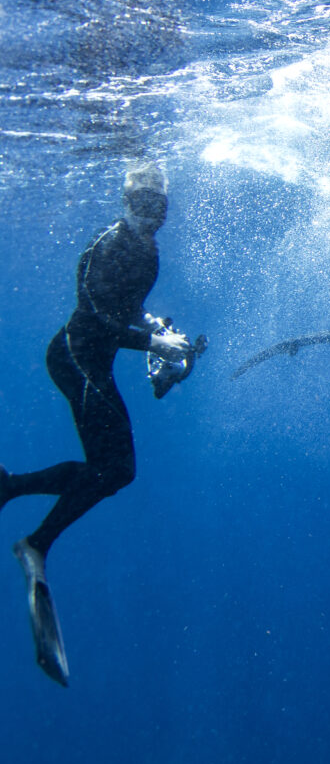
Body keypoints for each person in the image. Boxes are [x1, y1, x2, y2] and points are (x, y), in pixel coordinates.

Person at [0, 163, 191, 685]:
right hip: (75, 358)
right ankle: (33, 539)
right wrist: (150, 342)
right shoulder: (109, 243)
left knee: (113, 469)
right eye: (143, 205)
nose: (152, 216)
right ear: (127, 202)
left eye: (160, 208)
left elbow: (129, 310)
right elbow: (95, 315)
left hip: (93, 362)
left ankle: (13, 493)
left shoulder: (148, 252)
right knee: (115, 469)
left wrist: (161, 335)